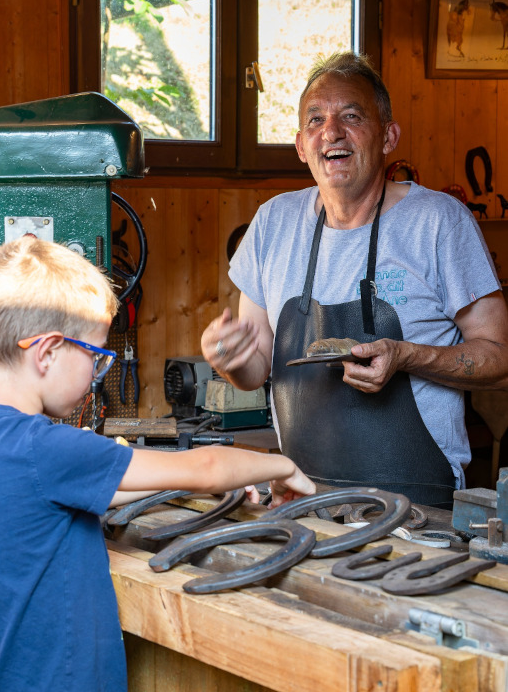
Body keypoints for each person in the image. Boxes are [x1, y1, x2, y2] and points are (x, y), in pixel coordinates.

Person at [0, 236, 315, 692]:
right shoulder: (45, 450)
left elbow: (104, 482)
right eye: (94, 354)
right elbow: (205, 467)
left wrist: (186, 486)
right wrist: (282, 467)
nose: (97, 372)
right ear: (47, 352)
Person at [201, 50, 508, 509]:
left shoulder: (439, 222)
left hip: (418, 509)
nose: (332, 131)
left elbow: (499, 356)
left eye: (351, 115)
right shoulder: (272, 224)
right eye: (316, 119)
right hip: (301, 500)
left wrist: (406, 356)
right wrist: (228, 358)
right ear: (302, 145)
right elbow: (256, 370)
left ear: (388, 137)